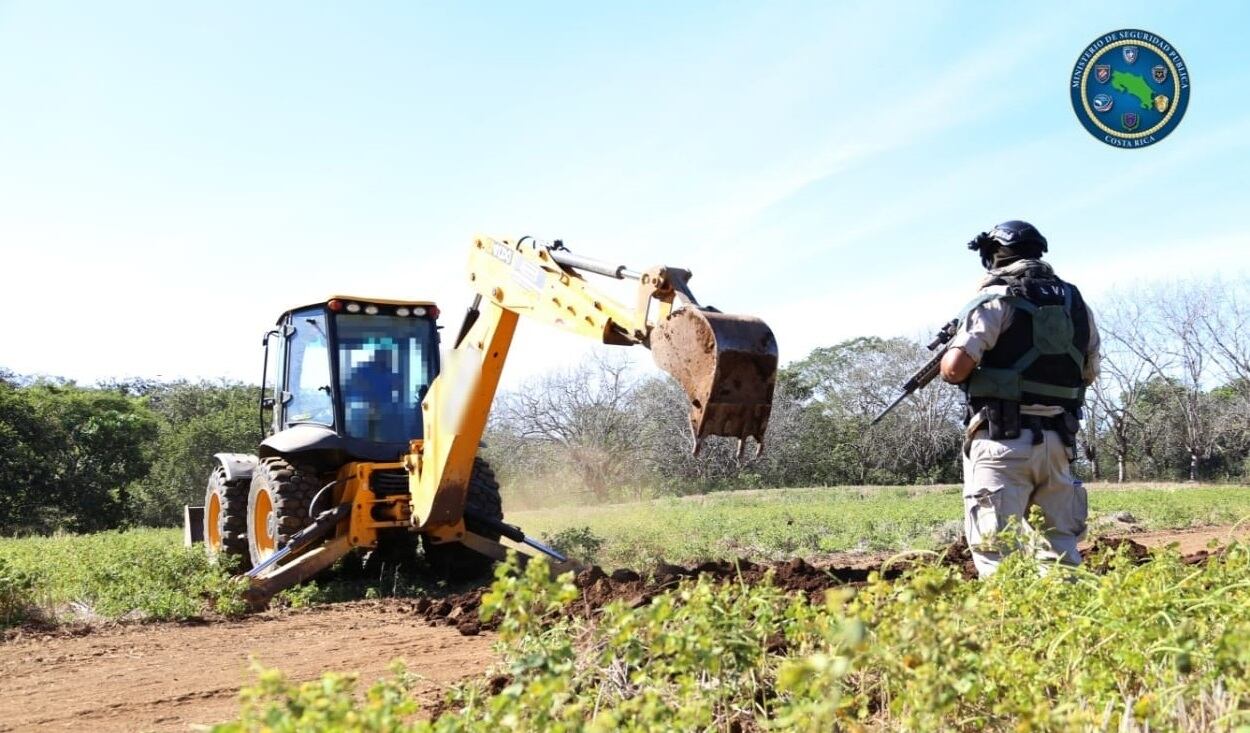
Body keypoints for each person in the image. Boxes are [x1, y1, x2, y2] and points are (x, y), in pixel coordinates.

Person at [939, 220, 1101, 577]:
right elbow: (1089, 371)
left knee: (997, 554)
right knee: (1059, 551)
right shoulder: (1076, 303)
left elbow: (954, 369)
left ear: (994, 257)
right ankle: (1069, 627)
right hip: (1059, 443)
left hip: (1002, 442)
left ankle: (1007, 630)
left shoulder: (996, 298)